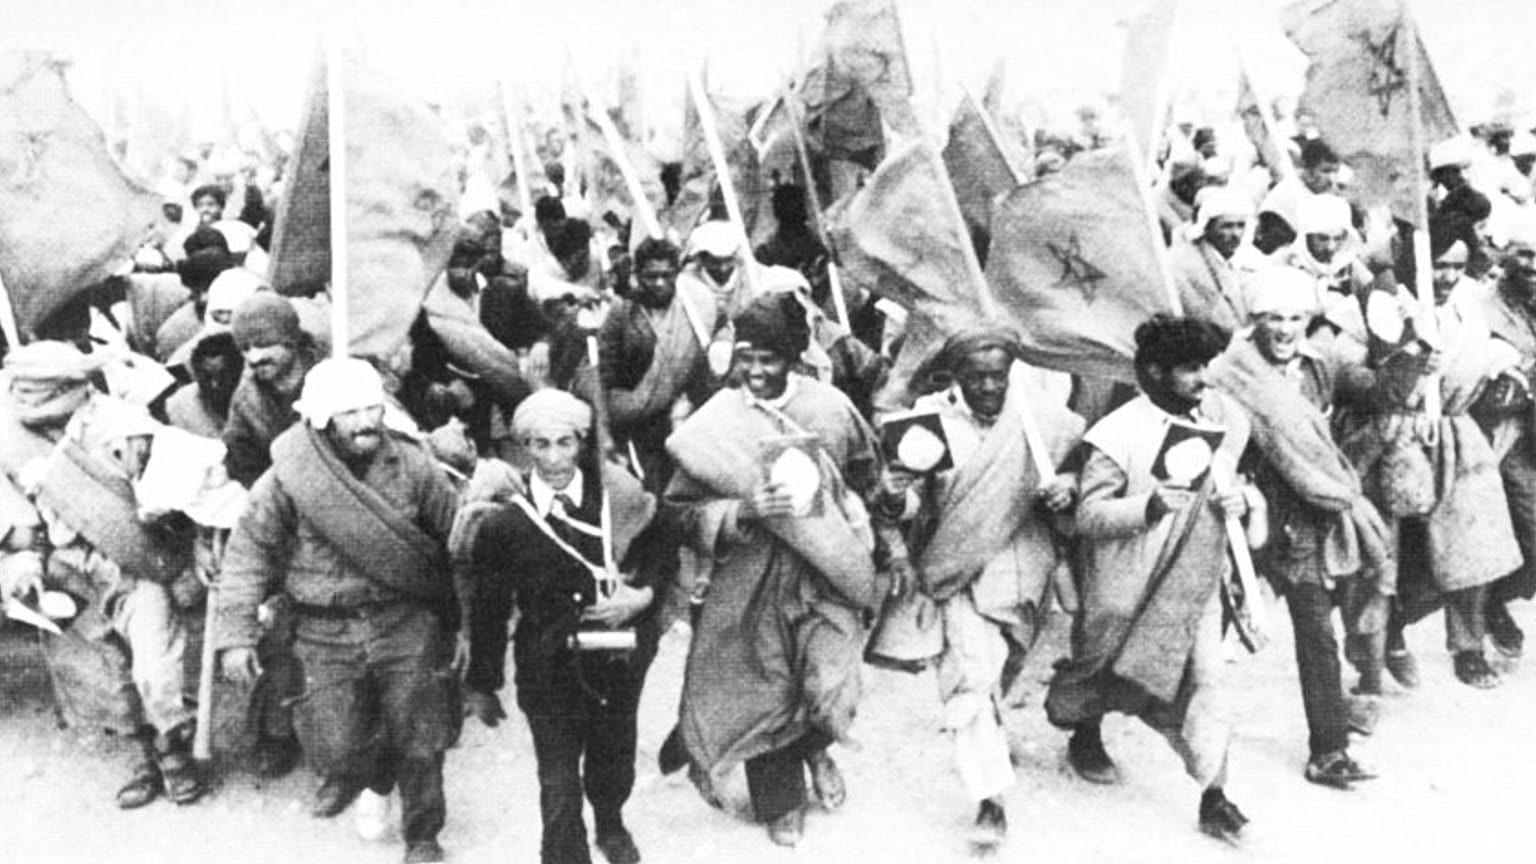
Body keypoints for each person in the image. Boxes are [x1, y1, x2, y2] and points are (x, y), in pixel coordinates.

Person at [663, 292, 885, 847]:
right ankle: (782, 801)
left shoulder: (832, 410)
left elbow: (868, 483)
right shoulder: (715, 423)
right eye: (746, 358)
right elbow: (677, 512)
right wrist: (742, 511)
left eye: (770, 358)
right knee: (764, 685)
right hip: (749, 577)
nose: (756, 371)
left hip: (826, 574)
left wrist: (882, 537)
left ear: (794, 356)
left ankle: (817, 748)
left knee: (830, 685)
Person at [216, 358, 460, 864]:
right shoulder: (289, 475)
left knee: (418, 733)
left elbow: (456, 541)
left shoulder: (413, 464)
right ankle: (377, 776)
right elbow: (249, 553)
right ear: (322, 418)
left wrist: (462, 623)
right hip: (322, 628)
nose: (365, 421)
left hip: (403, 620)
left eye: (372, 407)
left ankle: (422, 835)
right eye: (349, 412)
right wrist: (235, 636)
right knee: (336, 746)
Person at [1044, 316, 1259, 843]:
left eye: (1205, 366)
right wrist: (1150, 506)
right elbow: (1090, 517)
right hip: (1124, 585)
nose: (1203, 379)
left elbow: (1243, 488)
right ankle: (1086, 734)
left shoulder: (1220, 422)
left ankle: (1215, 795)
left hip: (1195, 582)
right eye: (1190, 369)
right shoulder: (1116, 433)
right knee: (1104, 666)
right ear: (1155, 372)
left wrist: (1244, 501)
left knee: (1207, 682)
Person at [875, 328, 1083, 846]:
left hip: (1024, 568)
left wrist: (1068, 489)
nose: (989, 386)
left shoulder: (1044, 419)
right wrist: (896, 497)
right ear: (955, 376)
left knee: (999, 672)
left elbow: (1084, 472)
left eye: (998, 375)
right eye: (977, 377)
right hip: (958, 567)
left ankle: (989, 728)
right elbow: (913, 504)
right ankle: (990, 800)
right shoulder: (929, 421)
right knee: (970, 679)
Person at [457, 389, 666, 864]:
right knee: (558, 782)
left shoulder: (617, 498)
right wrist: (483, 684)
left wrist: (643, 594)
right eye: (539, 445)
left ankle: (610, 823)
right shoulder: (505, 525)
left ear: (581, 442)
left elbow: (664, 539)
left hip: (615, 662)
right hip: (546, 666)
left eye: (565, 443)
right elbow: (489, 609)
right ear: (523, 448)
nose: (553, 458)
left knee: (612, 759)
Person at [0, 342, 204, 808]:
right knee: (102, 672)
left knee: (155, 667)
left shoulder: (124, 426)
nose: (29, 404)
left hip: (134, 561)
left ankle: (174, 750)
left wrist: (160, 506)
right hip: (67, 568)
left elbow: (179, 491)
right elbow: (20, 519)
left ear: (73, 388)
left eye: (41, 394)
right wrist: (26, 566)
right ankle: (141, 758)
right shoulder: (8, 436)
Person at [1208, 268, 1392, 787]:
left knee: (1316, 629)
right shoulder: (1226, 374)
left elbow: (1363, 400)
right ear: (1253, 322)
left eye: (1295, 318)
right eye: (1273, 319)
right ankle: (1092, 724)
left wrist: (1408, 356)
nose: (1285, 329)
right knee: (1200, 627)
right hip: (1238, 513)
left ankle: (1329, 749)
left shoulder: (1317, 365)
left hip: (1301, 518)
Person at [1341, 232, 1524, 690]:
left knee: (1472, 543)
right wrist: (1400, 373)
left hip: (1454, 433)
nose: (1445, 276)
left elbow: (1488, 356)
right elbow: (1347, 374)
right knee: (1389, 556)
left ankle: (1468, 644)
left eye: (1456, 267)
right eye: (1438, 264)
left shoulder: (1467, 308)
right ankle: (1379, 647)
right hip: (1390, 436)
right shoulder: (1380, 302)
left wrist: (1499, 368)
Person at [598, 236, 719, 491]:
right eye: (651, 276)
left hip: (678, 414)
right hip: (633, 421)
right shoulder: (622, 313)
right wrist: (606, 431)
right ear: (637, 275)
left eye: (667, 275)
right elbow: (603, 373)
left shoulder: (694, 305)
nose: (660, 283)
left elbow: (721, 329)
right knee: (647, 487)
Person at [1476, 219, 1536, 658]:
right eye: (1526, 255)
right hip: (1506, 433)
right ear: (1504, 257)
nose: (1533, 266)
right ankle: (1490, 606)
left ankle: (1499, 597)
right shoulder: (1483, 309)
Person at [222, 292, 321, 487]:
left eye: (264, 344)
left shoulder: (331, 380)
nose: (254, 358)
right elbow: (241, 461)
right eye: (245, 348)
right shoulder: (246, 400)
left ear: (291, 341)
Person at [1172, 186, 1261, 331]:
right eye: (1227, 226)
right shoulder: (1187, 262)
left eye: (1240, 226)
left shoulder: (1244, 256)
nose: (1235, 234)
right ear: (1207, 227)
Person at [165, 331, 244, 439]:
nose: (214, 385)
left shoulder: (255, 399)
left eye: (223, 378)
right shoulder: (181, 407)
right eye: (206, 378)